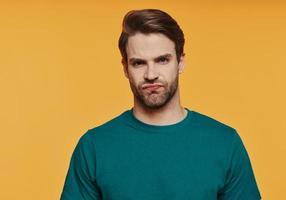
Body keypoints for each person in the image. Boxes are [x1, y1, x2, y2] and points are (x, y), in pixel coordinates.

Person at [60, 8, 261, 200]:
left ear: (180, 62)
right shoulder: (94, 146)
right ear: (125, 68)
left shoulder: (224, 142)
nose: (151, 74)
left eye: (162, 60)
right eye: (139, 63)